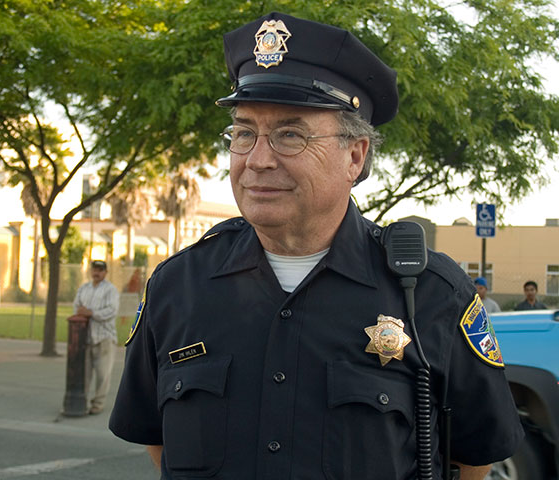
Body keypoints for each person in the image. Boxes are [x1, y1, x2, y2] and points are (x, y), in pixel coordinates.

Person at [109, 12, 523, 479]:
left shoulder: (432, 294)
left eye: (290, 135)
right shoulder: (177, 286)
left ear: (354, 156)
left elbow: (472, 459)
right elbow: (157, 438)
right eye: (244, 133)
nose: (258, 160)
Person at [73, 260, 120, 414]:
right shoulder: (84, 288)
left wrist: (91, 313)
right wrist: (85, 312)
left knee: (103, 374)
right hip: (86, 338)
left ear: (105, 272)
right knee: (84, 374)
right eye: (94, 269)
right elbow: (77, 307)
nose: (96, 273)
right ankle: (82, 402)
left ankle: (98, 404)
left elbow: (111, 311)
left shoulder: (110, 290)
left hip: (104, 338)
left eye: (100, 270)